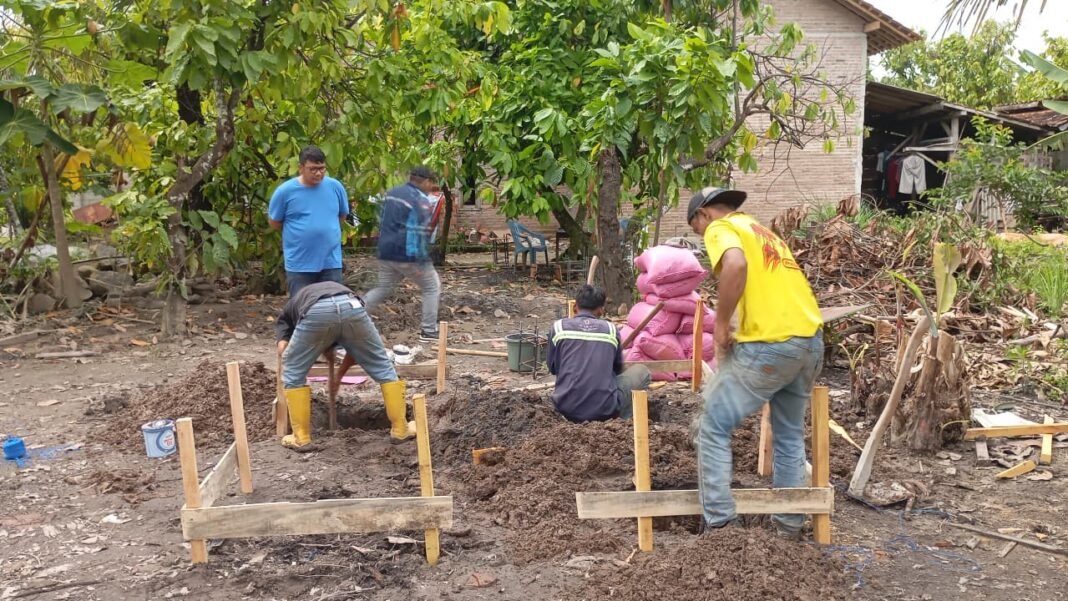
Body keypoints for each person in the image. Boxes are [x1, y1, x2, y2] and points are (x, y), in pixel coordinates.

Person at [686, 186, 824, 539]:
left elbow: (735, 264)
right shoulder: (763, 233)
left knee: (710, 425)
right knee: (789, 434)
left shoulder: (720, 228)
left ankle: (721, 528)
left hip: (771, 345)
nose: (704, 239)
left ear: (704, 215)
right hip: (809, 343)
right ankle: (788, 527)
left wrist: (719, 327)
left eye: (697, 231)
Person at [275, 281, 415, 450]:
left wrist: (333, 376)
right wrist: (338, 377)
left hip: (317, 310)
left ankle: (301, 437)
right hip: (351, 306)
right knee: (382, 365)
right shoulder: (321, 291)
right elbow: (357, 351)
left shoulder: (290, 313)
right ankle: (401, 429)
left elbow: (285, 347)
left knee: (292, 370)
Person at [546, 285, 651, 422]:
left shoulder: (559, 328)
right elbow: (617, 370)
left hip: (565, 408)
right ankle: (621, 423)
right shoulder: (611, 330)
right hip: (604, 410)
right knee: (642, 371)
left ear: (575, 307)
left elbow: (553, 368)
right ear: (601, 310)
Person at [363, 166, 442, 342]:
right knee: (431, 287)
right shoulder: (420, 199)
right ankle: (429, 331)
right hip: (407, 254)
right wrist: (421, 260)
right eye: (432, 183)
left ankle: (353, 315)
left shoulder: (392, 193)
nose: (432, 187)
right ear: (426, 181)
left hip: (386, 251)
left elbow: (380, 219)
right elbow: (418, 231)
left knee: (382, 288)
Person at [268, 146, 350, 296]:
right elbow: (275, 222)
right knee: (302, 307)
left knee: (332, 307)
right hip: (300, 263)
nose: (318, 173)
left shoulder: (335, 187)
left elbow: (341, 215)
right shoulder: (285, 192)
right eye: (313, 169)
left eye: (322, 168)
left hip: (330, 261)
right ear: (301, 168)